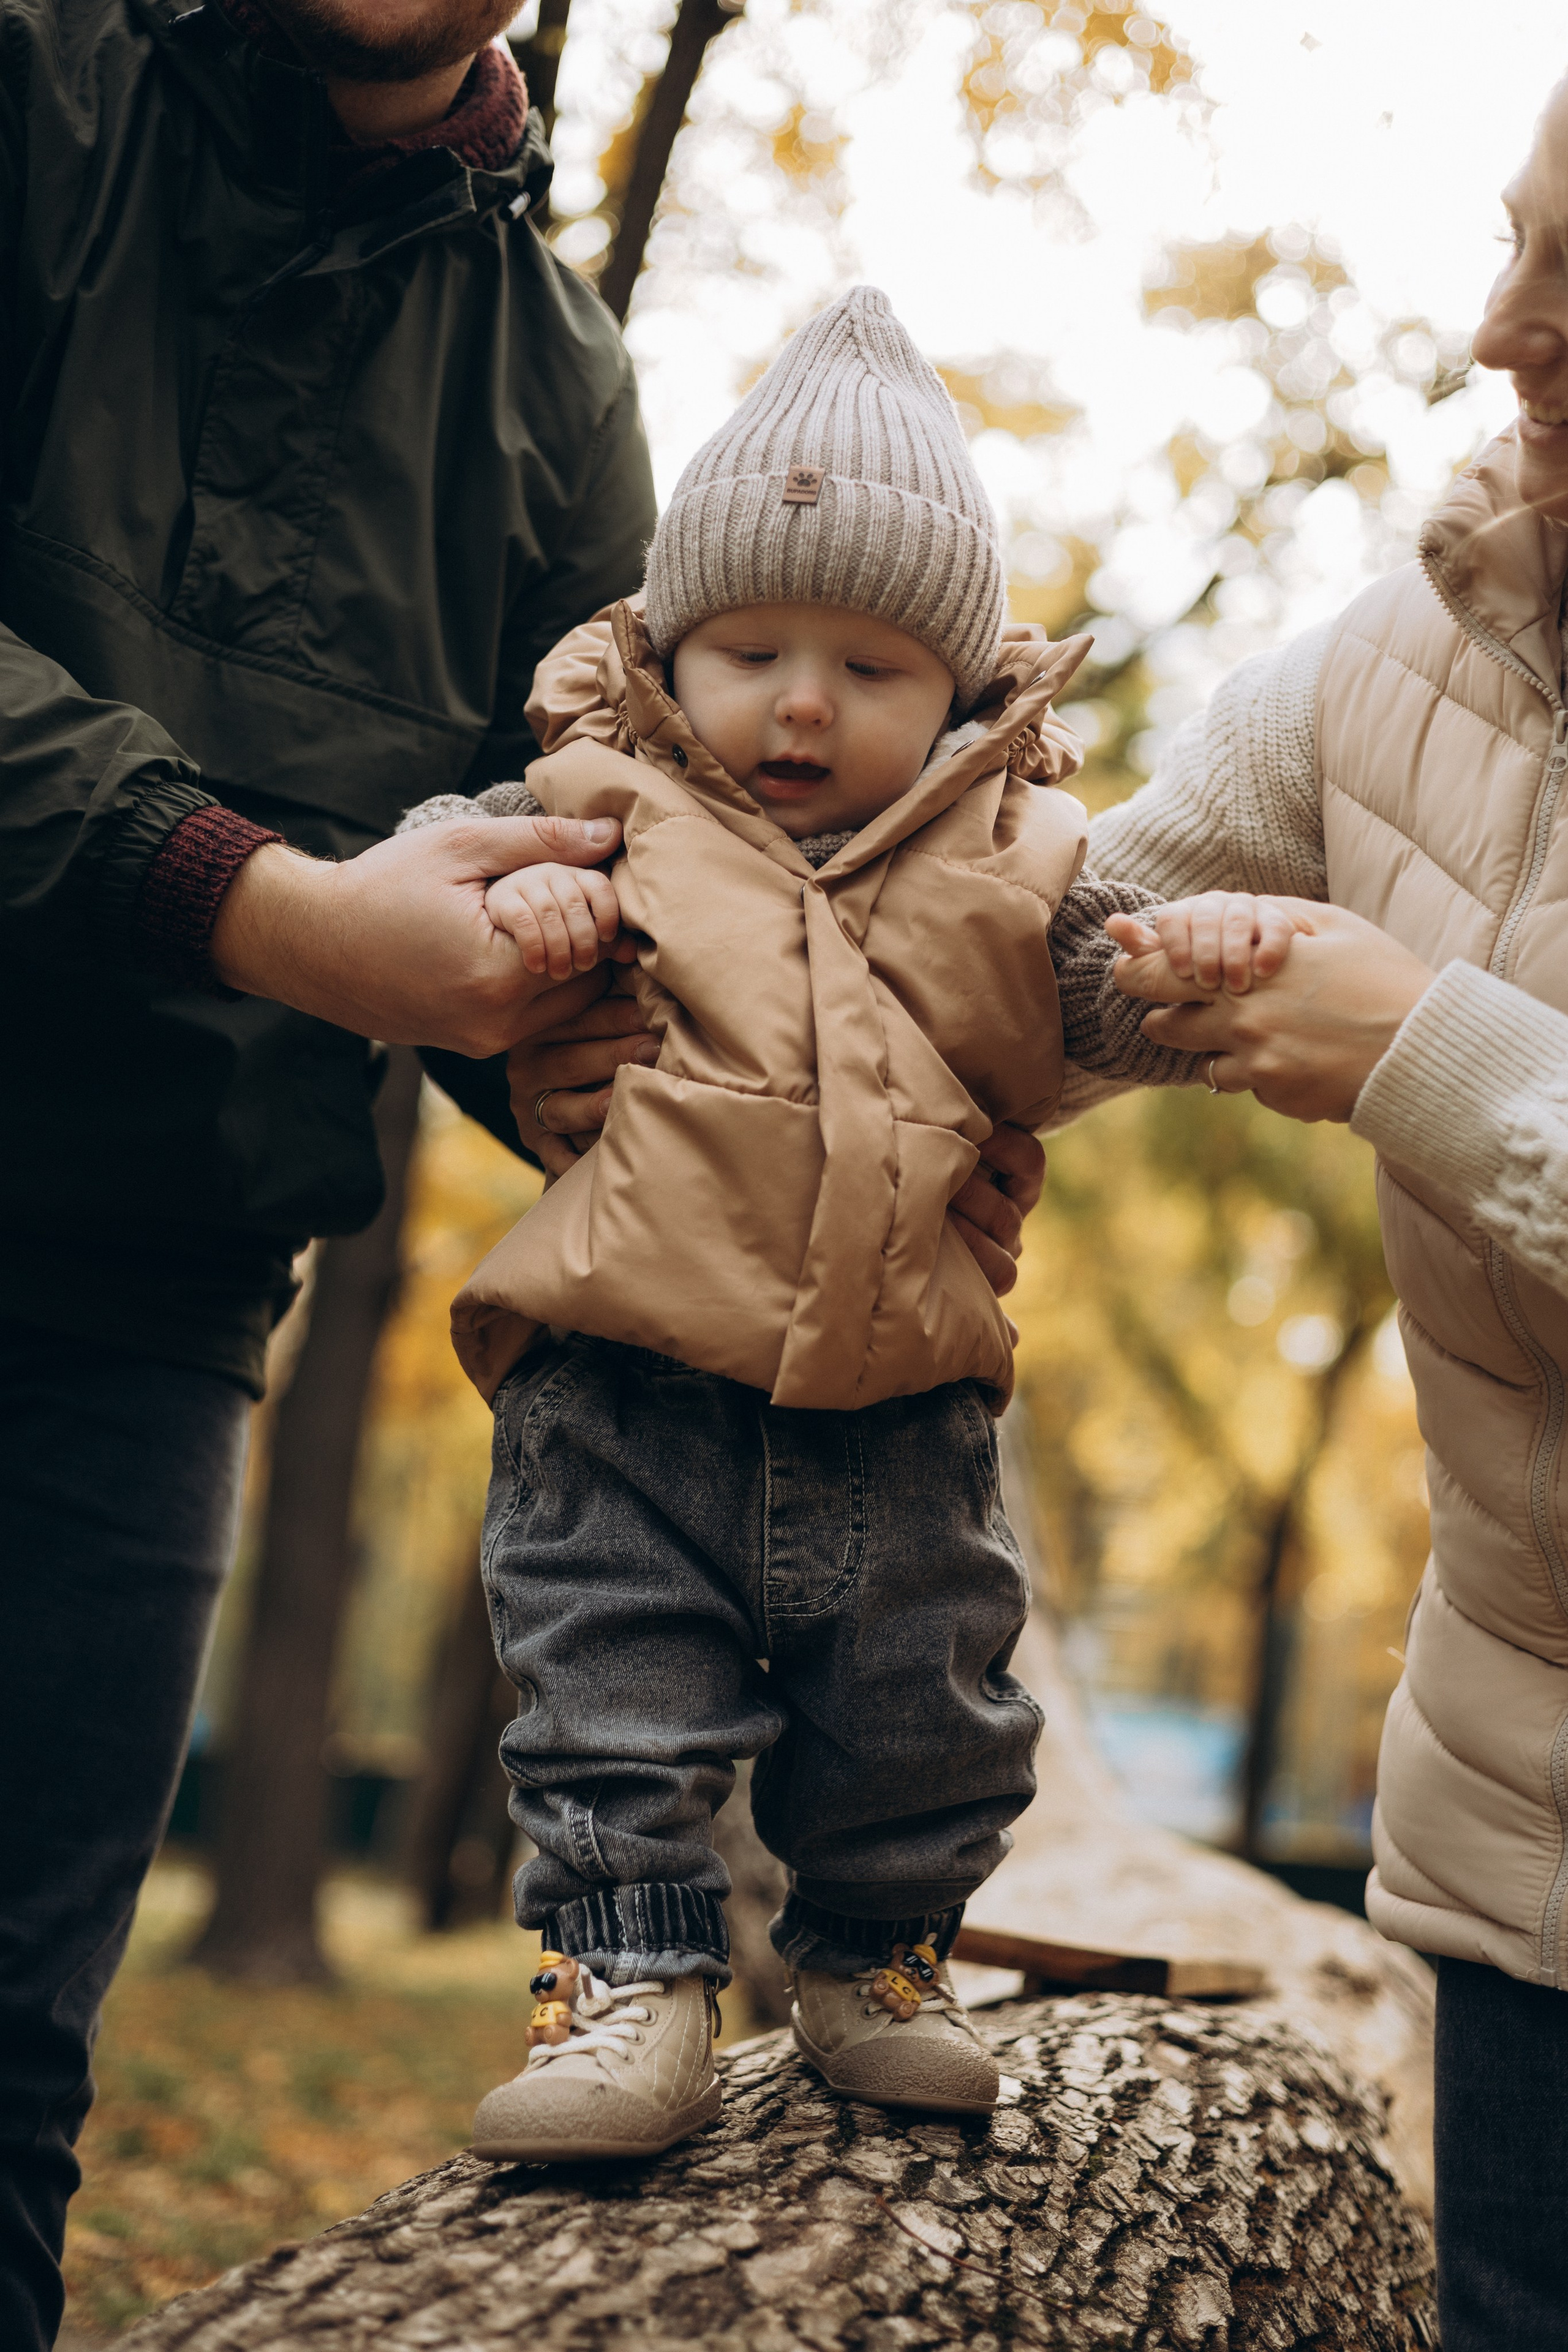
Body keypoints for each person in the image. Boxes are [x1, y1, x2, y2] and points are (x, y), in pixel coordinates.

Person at [398, 286, 1282, 2166]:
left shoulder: (1019, 859)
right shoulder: (594, 808)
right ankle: (629, 1981)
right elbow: (439, 927)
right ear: (670, 648)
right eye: (755, 649)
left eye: (872, 669)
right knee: (609, 1685)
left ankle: (878, 1957)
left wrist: (1197, 968)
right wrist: (521, 947)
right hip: (623, 1383)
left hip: (902, 1408)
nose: (804, 702)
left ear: (957, 691)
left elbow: (1105, 1005)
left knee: (928, 1698)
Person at [0, 0, 666, 2343]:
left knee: (2, 2079)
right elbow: (339, 922)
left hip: (141, 1318)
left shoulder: (556, 377)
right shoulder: (35, 97)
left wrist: (626, 1056)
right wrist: (265, 904)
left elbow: (576, 843)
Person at [1071, 75, 1568, 2352]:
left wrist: (1428, 1059)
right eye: (1513, 239)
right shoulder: (1413, 648)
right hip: (1513, 1831)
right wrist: (658, 916)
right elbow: (1058, 950)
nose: (1501, 330)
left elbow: (1425, 1063)